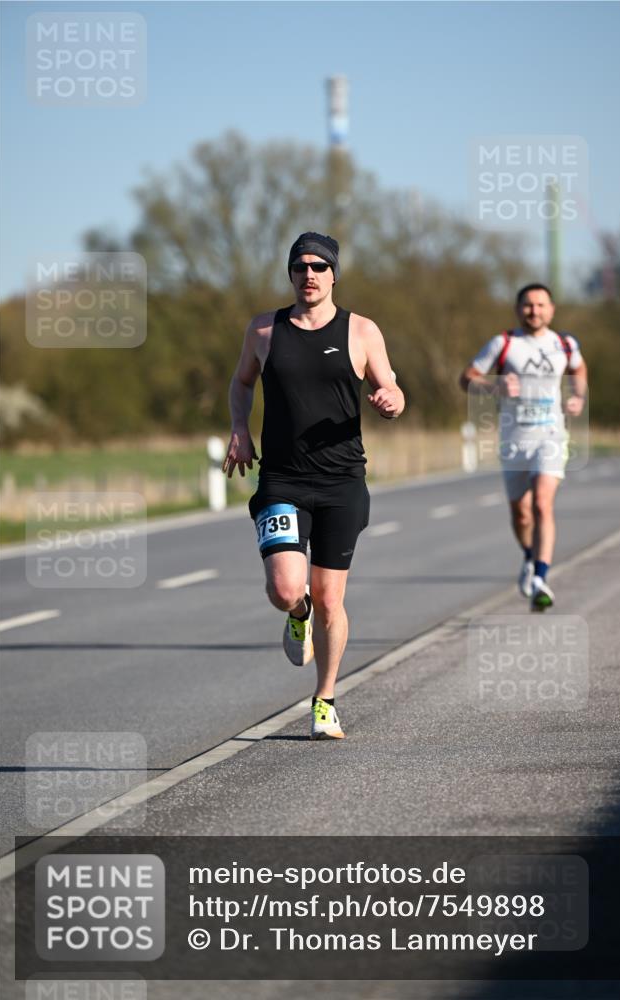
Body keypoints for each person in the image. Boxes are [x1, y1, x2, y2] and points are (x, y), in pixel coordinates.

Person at [223, 232, 405, 738]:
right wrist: (239, 427)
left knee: (331, 598)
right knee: (285, 588)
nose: (309, 275)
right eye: (300, 267)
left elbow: (389, 384)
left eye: (319, 267)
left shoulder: (362, 330)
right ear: (290, 273)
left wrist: (391, 399)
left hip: (341, 482)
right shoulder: (264, 330)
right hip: (281, 477)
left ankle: (324, 700)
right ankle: (295, 612)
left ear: (333, 274)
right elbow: (241, 382)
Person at [459, 283, 588, 611]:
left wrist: (577, 395)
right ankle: (530, 557)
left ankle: (541, 577)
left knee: (543, 504)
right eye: (528, 305)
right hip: (514, 439)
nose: (535, 311)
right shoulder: (504, 343)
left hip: (551, 435)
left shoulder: (565, 344)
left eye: (541, 305)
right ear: (518, 309)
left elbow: (579, 368)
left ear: (552, 309)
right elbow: (467, 377)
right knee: (521, 512)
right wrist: (494, 385)